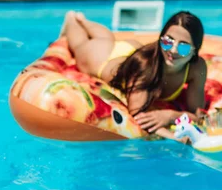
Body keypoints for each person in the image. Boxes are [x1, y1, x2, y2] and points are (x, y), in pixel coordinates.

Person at [59, 10, 207, 140]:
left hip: (134, 52)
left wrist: (170, 115)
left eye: (183, 46)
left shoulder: (197, 67)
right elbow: (137, 114)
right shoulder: (145, 67)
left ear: (195, 50)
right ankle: (72, 19)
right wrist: (173, 136)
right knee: (82, 44)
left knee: (107, 37)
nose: (173, 50)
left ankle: (83, 20)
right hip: (104, 59)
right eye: (168, 41)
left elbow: (198, 113)